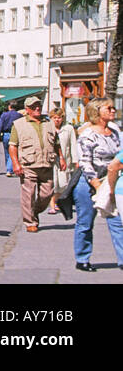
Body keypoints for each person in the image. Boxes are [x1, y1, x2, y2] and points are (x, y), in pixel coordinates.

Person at [73, 98, 123, 272]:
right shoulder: (88, 134)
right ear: (96, 111)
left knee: (117, 220)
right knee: (86, 221)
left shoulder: (115, 131)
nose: (112, 110)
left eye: (113, 107)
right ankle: (82, 258)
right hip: (89, 181)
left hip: (112, 179)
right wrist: (96, 185)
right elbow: (85, 162)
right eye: (108, 108)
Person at [9, 96, 64, 233]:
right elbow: (12, 146)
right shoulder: (19, 124)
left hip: (47, 163)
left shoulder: (49, 123)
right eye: (33, 106)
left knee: (47, 193)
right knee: (28, 194)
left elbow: (56, 143)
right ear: (27, 109)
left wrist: (61, 158)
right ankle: (30, 222)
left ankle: (33, 211)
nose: (37, 108)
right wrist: (15, 164)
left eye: (39, 105)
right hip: (28, 165)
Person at [48, 107, 77, 215]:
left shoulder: (68, 128)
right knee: (54, 184)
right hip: (51, 161)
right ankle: (52, 204)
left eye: (59, 117)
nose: (57, 120)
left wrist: (75, 160)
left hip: (65, 160)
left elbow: (73, 144)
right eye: (54, 118)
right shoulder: (48, 128)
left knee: (64, 184)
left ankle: (55, 200)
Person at [0, 102, 21, 176]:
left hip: (6, 134)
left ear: (9, 106)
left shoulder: (4, 115)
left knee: (7, 152)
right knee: (13, 151)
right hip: (16, 134)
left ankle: (9, 169)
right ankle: (10, 168)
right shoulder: (19, 115)